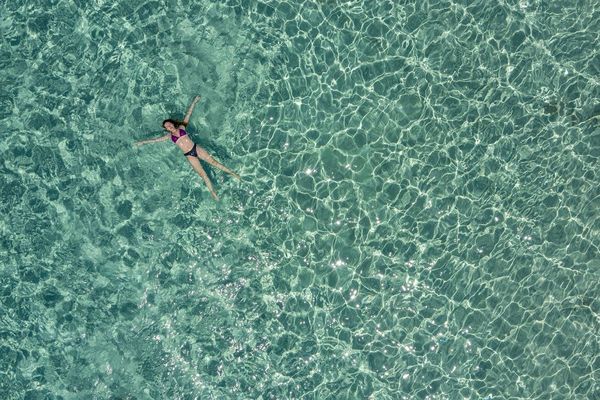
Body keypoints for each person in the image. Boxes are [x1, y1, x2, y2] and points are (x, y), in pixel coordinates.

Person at [135, 96, 240, 201]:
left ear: (172, 123)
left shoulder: (182, 127)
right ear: (166, 129)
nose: (169, 127)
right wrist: (142, 142)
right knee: (203, 174)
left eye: (169, 124)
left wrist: (194, 101)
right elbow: (155, 140)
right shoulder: (169, 136)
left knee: (215, 163)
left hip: (196, 148)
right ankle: (213, 193)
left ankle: (233, 174)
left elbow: (188, 114)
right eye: (167, 127)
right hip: (189, 155)